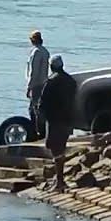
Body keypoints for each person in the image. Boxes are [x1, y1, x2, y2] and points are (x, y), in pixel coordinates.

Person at [38, 55, 77, 192]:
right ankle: (59, 178)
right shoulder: (71, 81)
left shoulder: (51, 81)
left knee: (55, 148)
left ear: (51, 66)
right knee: (61, 148)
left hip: (54, 120)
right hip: (68, 119)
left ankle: (59, 181)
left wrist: (40, 119)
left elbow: (43, 101)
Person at [26, 30, 50, 139]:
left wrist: (29, 87)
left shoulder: (36, 52)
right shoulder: (45, 51)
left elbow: (33, 71)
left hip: (36, 84)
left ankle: (36, 132)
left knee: (33, 109)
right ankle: (42, 130)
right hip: (43, 82)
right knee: (40, 108)